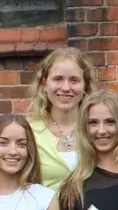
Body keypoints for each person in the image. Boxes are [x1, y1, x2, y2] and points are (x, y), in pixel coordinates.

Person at [26, 47, 99, 189]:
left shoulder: (98, 129)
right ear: (44, 84)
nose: (66, 88)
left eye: (74, 80)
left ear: (86, 85)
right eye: (58, 79)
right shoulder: (29, 131)